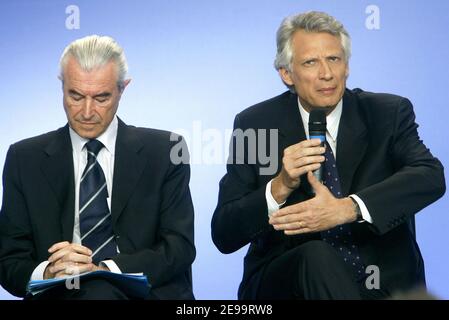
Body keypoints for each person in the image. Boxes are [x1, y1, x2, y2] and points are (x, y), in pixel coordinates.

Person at [211, 11, 445, 299]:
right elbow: (224, 233)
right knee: (315, 255)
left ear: (346, 66)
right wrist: (280, 186)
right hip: (289, 281)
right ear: (287, 74)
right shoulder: (256, 124)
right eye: (311, 62)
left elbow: (429, 176)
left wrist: (347, 208)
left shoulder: (387, 113)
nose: (327, 74)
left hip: (381, 282)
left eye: (334, 59)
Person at [0, 35, 195, 299]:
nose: (87, 111)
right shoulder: (24, 158)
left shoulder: (167, 151)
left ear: (123, 89)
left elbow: (179, 247)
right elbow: (9, 261)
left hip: (146, 293)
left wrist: (103, 269)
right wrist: (49, 271)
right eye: (76, 96)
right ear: (62, 86)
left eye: (102, 98)